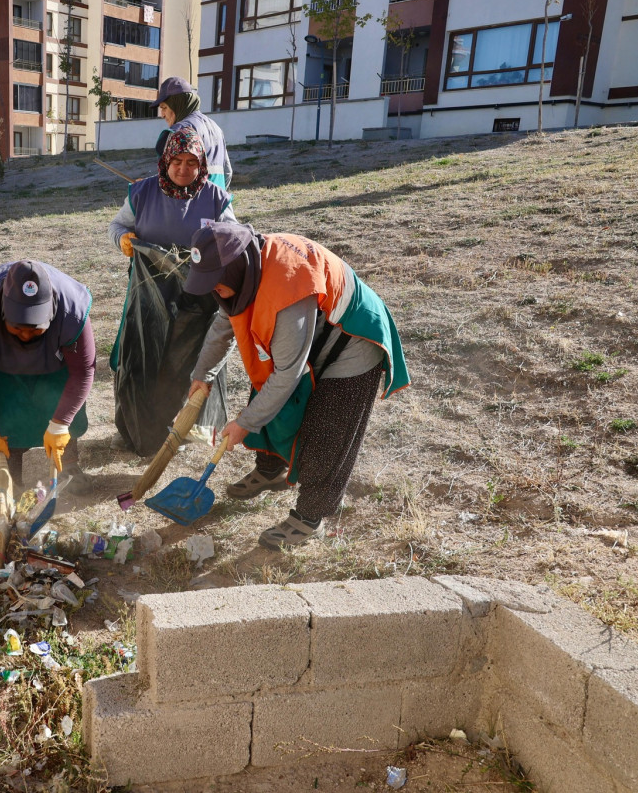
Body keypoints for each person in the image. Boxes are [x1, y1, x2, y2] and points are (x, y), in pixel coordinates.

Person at [183, 223, 410, 549]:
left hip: (351, 341)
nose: (213, 292)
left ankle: (309, 518)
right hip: (310, 334)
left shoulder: (285, 288)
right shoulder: (244, 274)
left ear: (234, 271)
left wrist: (244, 423)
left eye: (215, 285)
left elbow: (287, 375)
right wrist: (202, 375)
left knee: (326, 429)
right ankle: (271, 470)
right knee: (264, 393)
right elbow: (224, 323)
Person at [106, 127, 236, 455]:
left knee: (191, 360)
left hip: (199, 296)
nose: (182, 168)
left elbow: (234, 238)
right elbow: (116, 226)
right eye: (176, 160)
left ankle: (190, 433)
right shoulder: (142, 193)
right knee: (144, 357)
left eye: (191, 162)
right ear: (165, 161)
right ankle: (141, 432)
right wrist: (123, 240)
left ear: (202, 163)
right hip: (148, 293)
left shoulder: (215, 198)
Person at [0, 260, 95, 492]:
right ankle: (9, 473)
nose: (25, 335)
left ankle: (68, 466)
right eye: (17, 327)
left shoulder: (72, 312)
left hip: (55, 366)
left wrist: (60, 424)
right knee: (8, 409)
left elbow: (82, 372)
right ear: (3, 312)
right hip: (3, 369)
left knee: (61, 403)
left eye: (35, 328)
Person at [153, 76, 232, 190]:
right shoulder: (215, 128)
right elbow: (227, 172)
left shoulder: (180, 132)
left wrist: (145, 188)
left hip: (190, 204)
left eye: (164, 108)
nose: (162, 115)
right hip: (216, 202)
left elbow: (169, 178)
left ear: (177, 105)